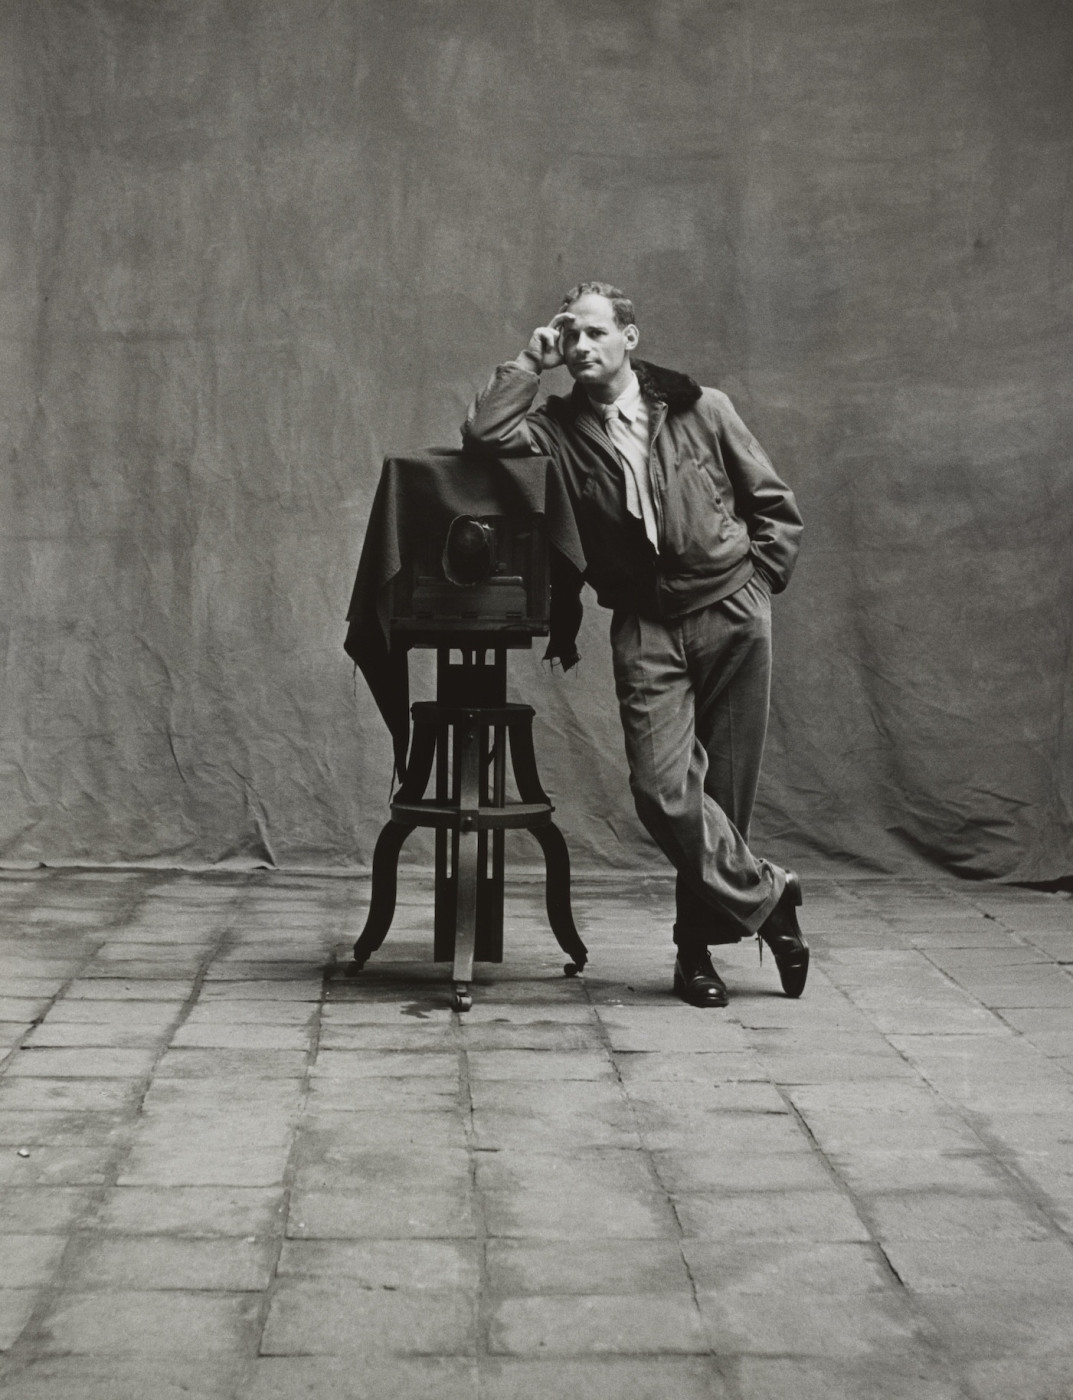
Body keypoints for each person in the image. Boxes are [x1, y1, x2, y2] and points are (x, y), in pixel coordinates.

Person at [462, 281, 807, 1008]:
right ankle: (770, 899)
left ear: (629, 337)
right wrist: (530, 358)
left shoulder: (700, 406)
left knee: (721, 799)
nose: (580, 346)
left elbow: (770, 502)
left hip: (730, 612)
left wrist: (758, 580)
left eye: (593, 332)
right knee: (662, 788)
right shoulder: (555, 431)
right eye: (569, 336)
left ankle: (694, 958)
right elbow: (486, 433)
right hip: (646, 623)